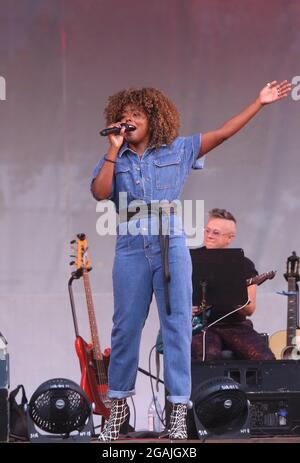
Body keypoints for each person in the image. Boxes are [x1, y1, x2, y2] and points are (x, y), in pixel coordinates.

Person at [91, 81, 290, 441]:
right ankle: (118, 408)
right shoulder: (115, 157)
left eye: (136, 115)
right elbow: (99, 192)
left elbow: (224, 134)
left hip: (170, 242)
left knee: (177, 326)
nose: (128, 120)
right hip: (131, 245)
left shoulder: (178, 149)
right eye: (123, 116)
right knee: (125, 327)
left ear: (152, 118)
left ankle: (179, 412)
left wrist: (258, 102)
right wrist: (111, 150)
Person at [190, 208, 276, 361]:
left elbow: (250, 309)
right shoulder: (190, 260)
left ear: (230, 238)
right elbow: (172, 294)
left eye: (215, 233)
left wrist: (231, 293)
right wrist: (184, 308)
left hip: (234, 325)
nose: (209, 236)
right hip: (200, 327)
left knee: (265, 359)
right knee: (206, 356)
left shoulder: (244, 264)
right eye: (207, 230)